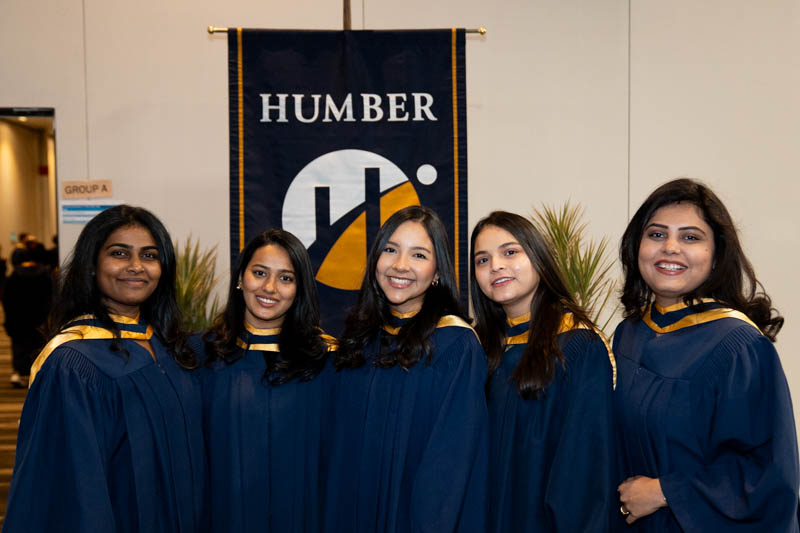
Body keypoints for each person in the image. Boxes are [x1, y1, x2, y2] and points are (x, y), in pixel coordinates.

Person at [2, 205, 206, 533]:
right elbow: (73, 491)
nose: (136, 266)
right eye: (119, 253)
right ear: (92, 265)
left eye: (150, 255)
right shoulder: (73, 364)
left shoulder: (170, 348)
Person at [614, 178, 799, 531]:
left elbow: (765, 477)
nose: (670, 247)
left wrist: (664, 491)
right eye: (656, 234)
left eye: (690, 237)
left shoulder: (739, 347)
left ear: (716, 256)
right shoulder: (629, 334)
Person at [324, 205, 488, 532]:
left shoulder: (454, 344)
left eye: (419, 255)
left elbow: (449, 464)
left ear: (437, 272)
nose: (400, 265)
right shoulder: (360, 340)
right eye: (390, 250)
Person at [470, 211, 617, 532]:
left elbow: (584, 469)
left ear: (538, 257)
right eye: (482, 260)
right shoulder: (476, 347)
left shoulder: (577, 346)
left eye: (510, 252)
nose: (495, 266)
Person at [194, 228, 336, 532]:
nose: (270, 288)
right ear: (240, 278)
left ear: (299, 289)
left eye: (286, 278)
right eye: (259, 273)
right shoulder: (199, 356)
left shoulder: (328, 362)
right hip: (223, 515)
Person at [1, 248, 53, 387]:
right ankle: (37, 372)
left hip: (19, 318)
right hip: (39, 316)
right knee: (38, 345)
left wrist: (8, 318)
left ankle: (21, 373)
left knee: (20, 345)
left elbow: (7, 299)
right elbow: (50, 297)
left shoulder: (14, 275)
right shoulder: (44, 274)